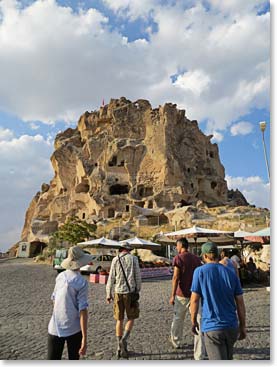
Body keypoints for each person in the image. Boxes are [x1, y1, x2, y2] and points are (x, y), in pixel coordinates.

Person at [190, 242, 247, 360]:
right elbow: (240, 302)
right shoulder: (231, 272)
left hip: (212, 327)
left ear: (205, 256)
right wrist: (242, 326)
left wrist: (193, 321)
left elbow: (194, 300)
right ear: (218, 255)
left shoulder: (199, 272)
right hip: (231, 326)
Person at [47, 246, 94, 360]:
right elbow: (82, 311)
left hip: (55, 326)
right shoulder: (81, 282)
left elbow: (54, 299)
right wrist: (84, 338)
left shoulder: (60, 276)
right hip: (74, 328)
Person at [169, 237, 205, 360]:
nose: (176, 248)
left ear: (180, 246)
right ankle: (199, 352)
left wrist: (172, 295)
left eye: (176, 246)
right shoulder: (196, 259)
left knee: (178, 319)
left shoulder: (178, 258)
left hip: (182, 294)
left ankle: (176, 341)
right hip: (196, 294)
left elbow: (175, 278)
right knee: (199, 321)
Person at [106, 242, 141, 359]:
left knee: (119, 319)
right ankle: (124, 340)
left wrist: (108, 293)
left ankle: (118, 346)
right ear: (128, 250)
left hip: (117, 292)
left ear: (120, 249)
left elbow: (111, 277)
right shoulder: (133, 259)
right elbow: (137, 276)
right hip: (130, 293)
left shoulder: (115, 260)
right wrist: (138, 289)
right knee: (131, 317)